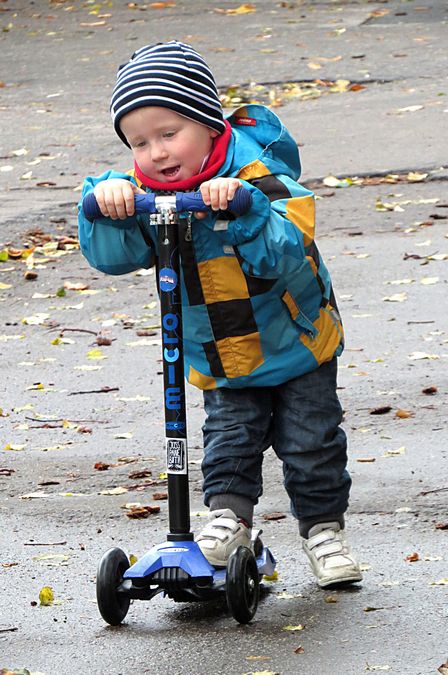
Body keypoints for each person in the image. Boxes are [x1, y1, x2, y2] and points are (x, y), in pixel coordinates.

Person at [78, 41, 361, 588]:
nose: (156, 152)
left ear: (208, 122)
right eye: (139, 142)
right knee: (229, 437)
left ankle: (323, 531)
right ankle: (228, 520)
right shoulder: (143, 192)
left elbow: (286, 251)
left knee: (311, 443)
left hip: (295, 342)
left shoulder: (260, 174)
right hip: (221, 349)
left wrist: (246, 206)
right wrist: (108, 207)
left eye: (168, 133)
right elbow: (116, 258)